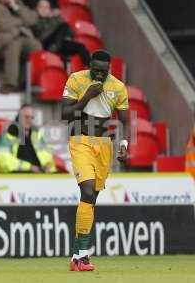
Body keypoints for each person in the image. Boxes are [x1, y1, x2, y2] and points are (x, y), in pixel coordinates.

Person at [61, 50, 129, 271]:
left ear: (110, 69)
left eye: (104, 71)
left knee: (91, 200)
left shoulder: (118, 87)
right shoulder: (77, 79)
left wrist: (124, 144)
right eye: (96, 70)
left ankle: (76, 256)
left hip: (103, 145)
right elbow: (66, 114)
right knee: (87, 191)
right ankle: (83, 256)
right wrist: (87, 96)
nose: (99, 75)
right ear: (89, 65)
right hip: (80, 140)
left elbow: (126, 121)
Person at [0, 0, 42, 93]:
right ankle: (10, 83)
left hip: (22, 38)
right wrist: (21, 21)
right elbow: (2, 25)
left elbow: (32, 20)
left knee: (36, 46)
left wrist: (16, 7)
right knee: (14, 44)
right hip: (1, 42)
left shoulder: (17, 3)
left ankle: (28, 81)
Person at [0, 104, 56, 172]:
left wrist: (48, 166)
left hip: (39, 175)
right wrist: (29, 167)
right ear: (18, 117)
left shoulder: (36, 135)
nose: (29, 120)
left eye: (32, 118)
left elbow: (47, 156)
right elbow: (4, 160)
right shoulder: (8, 134)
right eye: (26, 117)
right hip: (16, 176)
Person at [32, 0, 90, 66]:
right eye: (41, 7)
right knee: (62, 26)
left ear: (50, 9)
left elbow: (69, 31)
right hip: (45, 43)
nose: (44, 9)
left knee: (80, 47)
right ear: (36, 8)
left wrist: (55, 18)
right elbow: (43, 35)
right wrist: (53, 19)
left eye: (46, 7)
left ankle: (90, 67)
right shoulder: (34, 19)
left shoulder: (55, 19)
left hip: (57, 43)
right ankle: (57, 48)